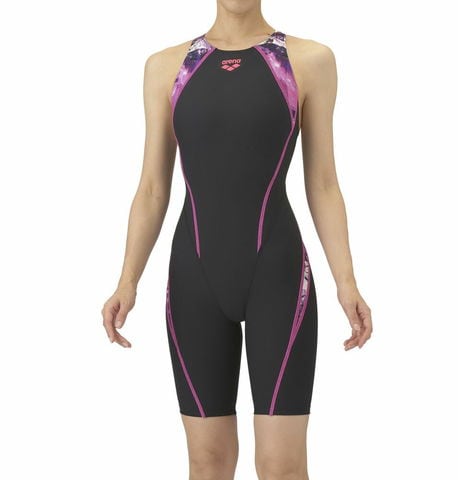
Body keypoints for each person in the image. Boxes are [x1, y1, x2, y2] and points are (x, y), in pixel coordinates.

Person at [101, 1, 373, 478]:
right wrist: (127, 280)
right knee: (207, 462)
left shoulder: (307, 60)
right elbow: (152, 188)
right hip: (194, 277)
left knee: (281, 465)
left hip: (277, 275)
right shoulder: (167, 66)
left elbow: (323, 183)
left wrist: (346, 281)